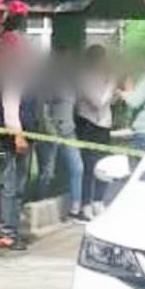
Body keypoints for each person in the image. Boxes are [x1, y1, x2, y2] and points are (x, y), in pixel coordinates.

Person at [0, 24, 39, 252]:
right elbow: (10, 108)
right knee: (12, 186)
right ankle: (7, 234)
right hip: (15, 138)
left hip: (23, 136)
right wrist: (19, 136)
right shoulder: (13, 75)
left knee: (18, 186)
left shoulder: (21, 74)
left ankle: (12, 230)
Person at [39, 51, 86, 221]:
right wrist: (51, 132)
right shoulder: (48, 82)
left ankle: (75, 209)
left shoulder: (70, 83)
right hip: (52, 134)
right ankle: (40, 205)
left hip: (69, 132)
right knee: (47, 173)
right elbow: (43, 110)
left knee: (77, 167)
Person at [75, 45, 116, 218]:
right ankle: (86, 204)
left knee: (104, 165)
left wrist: (110, 90)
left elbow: (109, 102)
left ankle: (98, 200)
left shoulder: (103, 77)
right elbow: (97, 102)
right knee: (89, 166)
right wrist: (111, 86)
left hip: (104, 126)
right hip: (89, 125)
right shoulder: (85, 77)